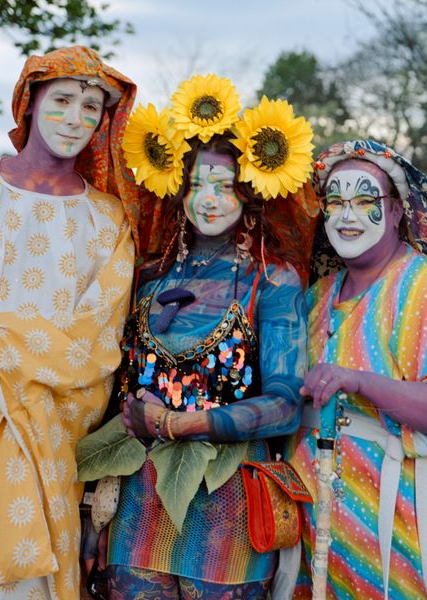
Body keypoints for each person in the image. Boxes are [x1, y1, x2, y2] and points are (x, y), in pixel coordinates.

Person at [79, 74, 318, 599]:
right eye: (197, 185)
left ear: (250, 194)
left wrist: (181, 424)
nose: (209, 201)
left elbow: (285, 405)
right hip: (135, 510)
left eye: (225, 186)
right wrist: (91, 516)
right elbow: (113, 397)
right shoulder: (147, 277)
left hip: (229, 513)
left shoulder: (272, 281)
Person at [0, 46, 139, 598]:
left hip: (40, 442)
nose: (75, 118)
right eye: (62, 99)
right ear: (29, 103)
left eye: (91, 108)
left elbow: (96, 343)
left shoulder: (108, 220)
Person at [286, 140, 427, 598]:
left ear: (395, 211)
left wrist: (359, 382)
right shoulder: (315, 296)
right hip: (317, 527)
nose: (347, 215)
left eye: (364, 201)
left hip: (403, 528)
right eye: (335, 201)